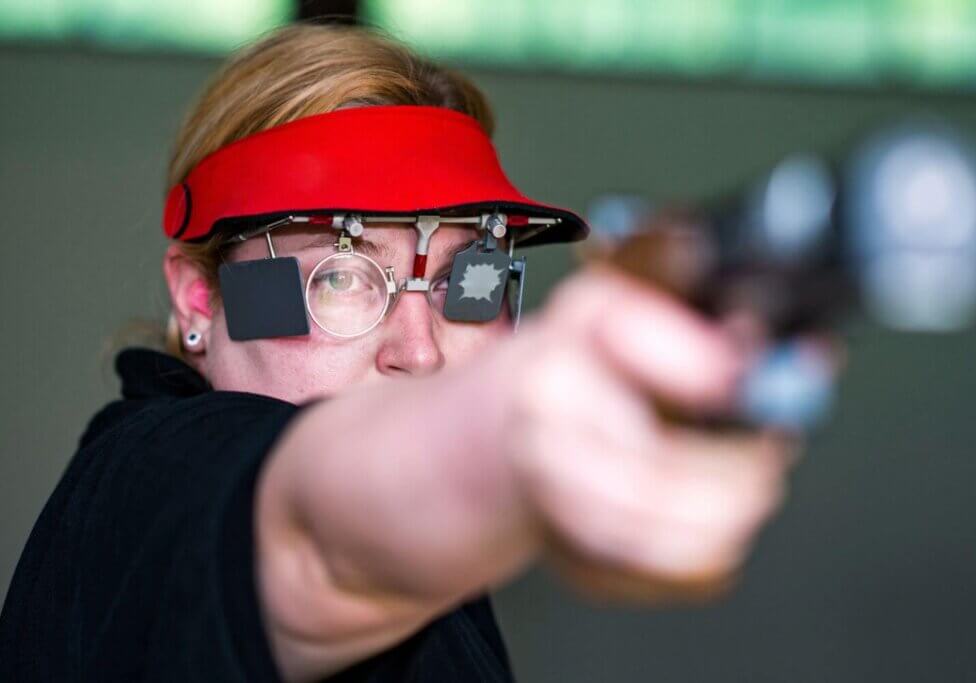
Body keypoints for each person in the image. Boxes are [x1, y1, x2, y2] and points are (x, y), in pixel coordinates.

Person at [0, 24, 794, 682]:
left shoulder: (439, 579)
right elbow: (314, 532)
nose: (420, 352)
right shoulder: (142, 484)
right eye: (342, 273)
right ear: (200, 298)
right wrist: (513, 430)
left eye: (467, 276)